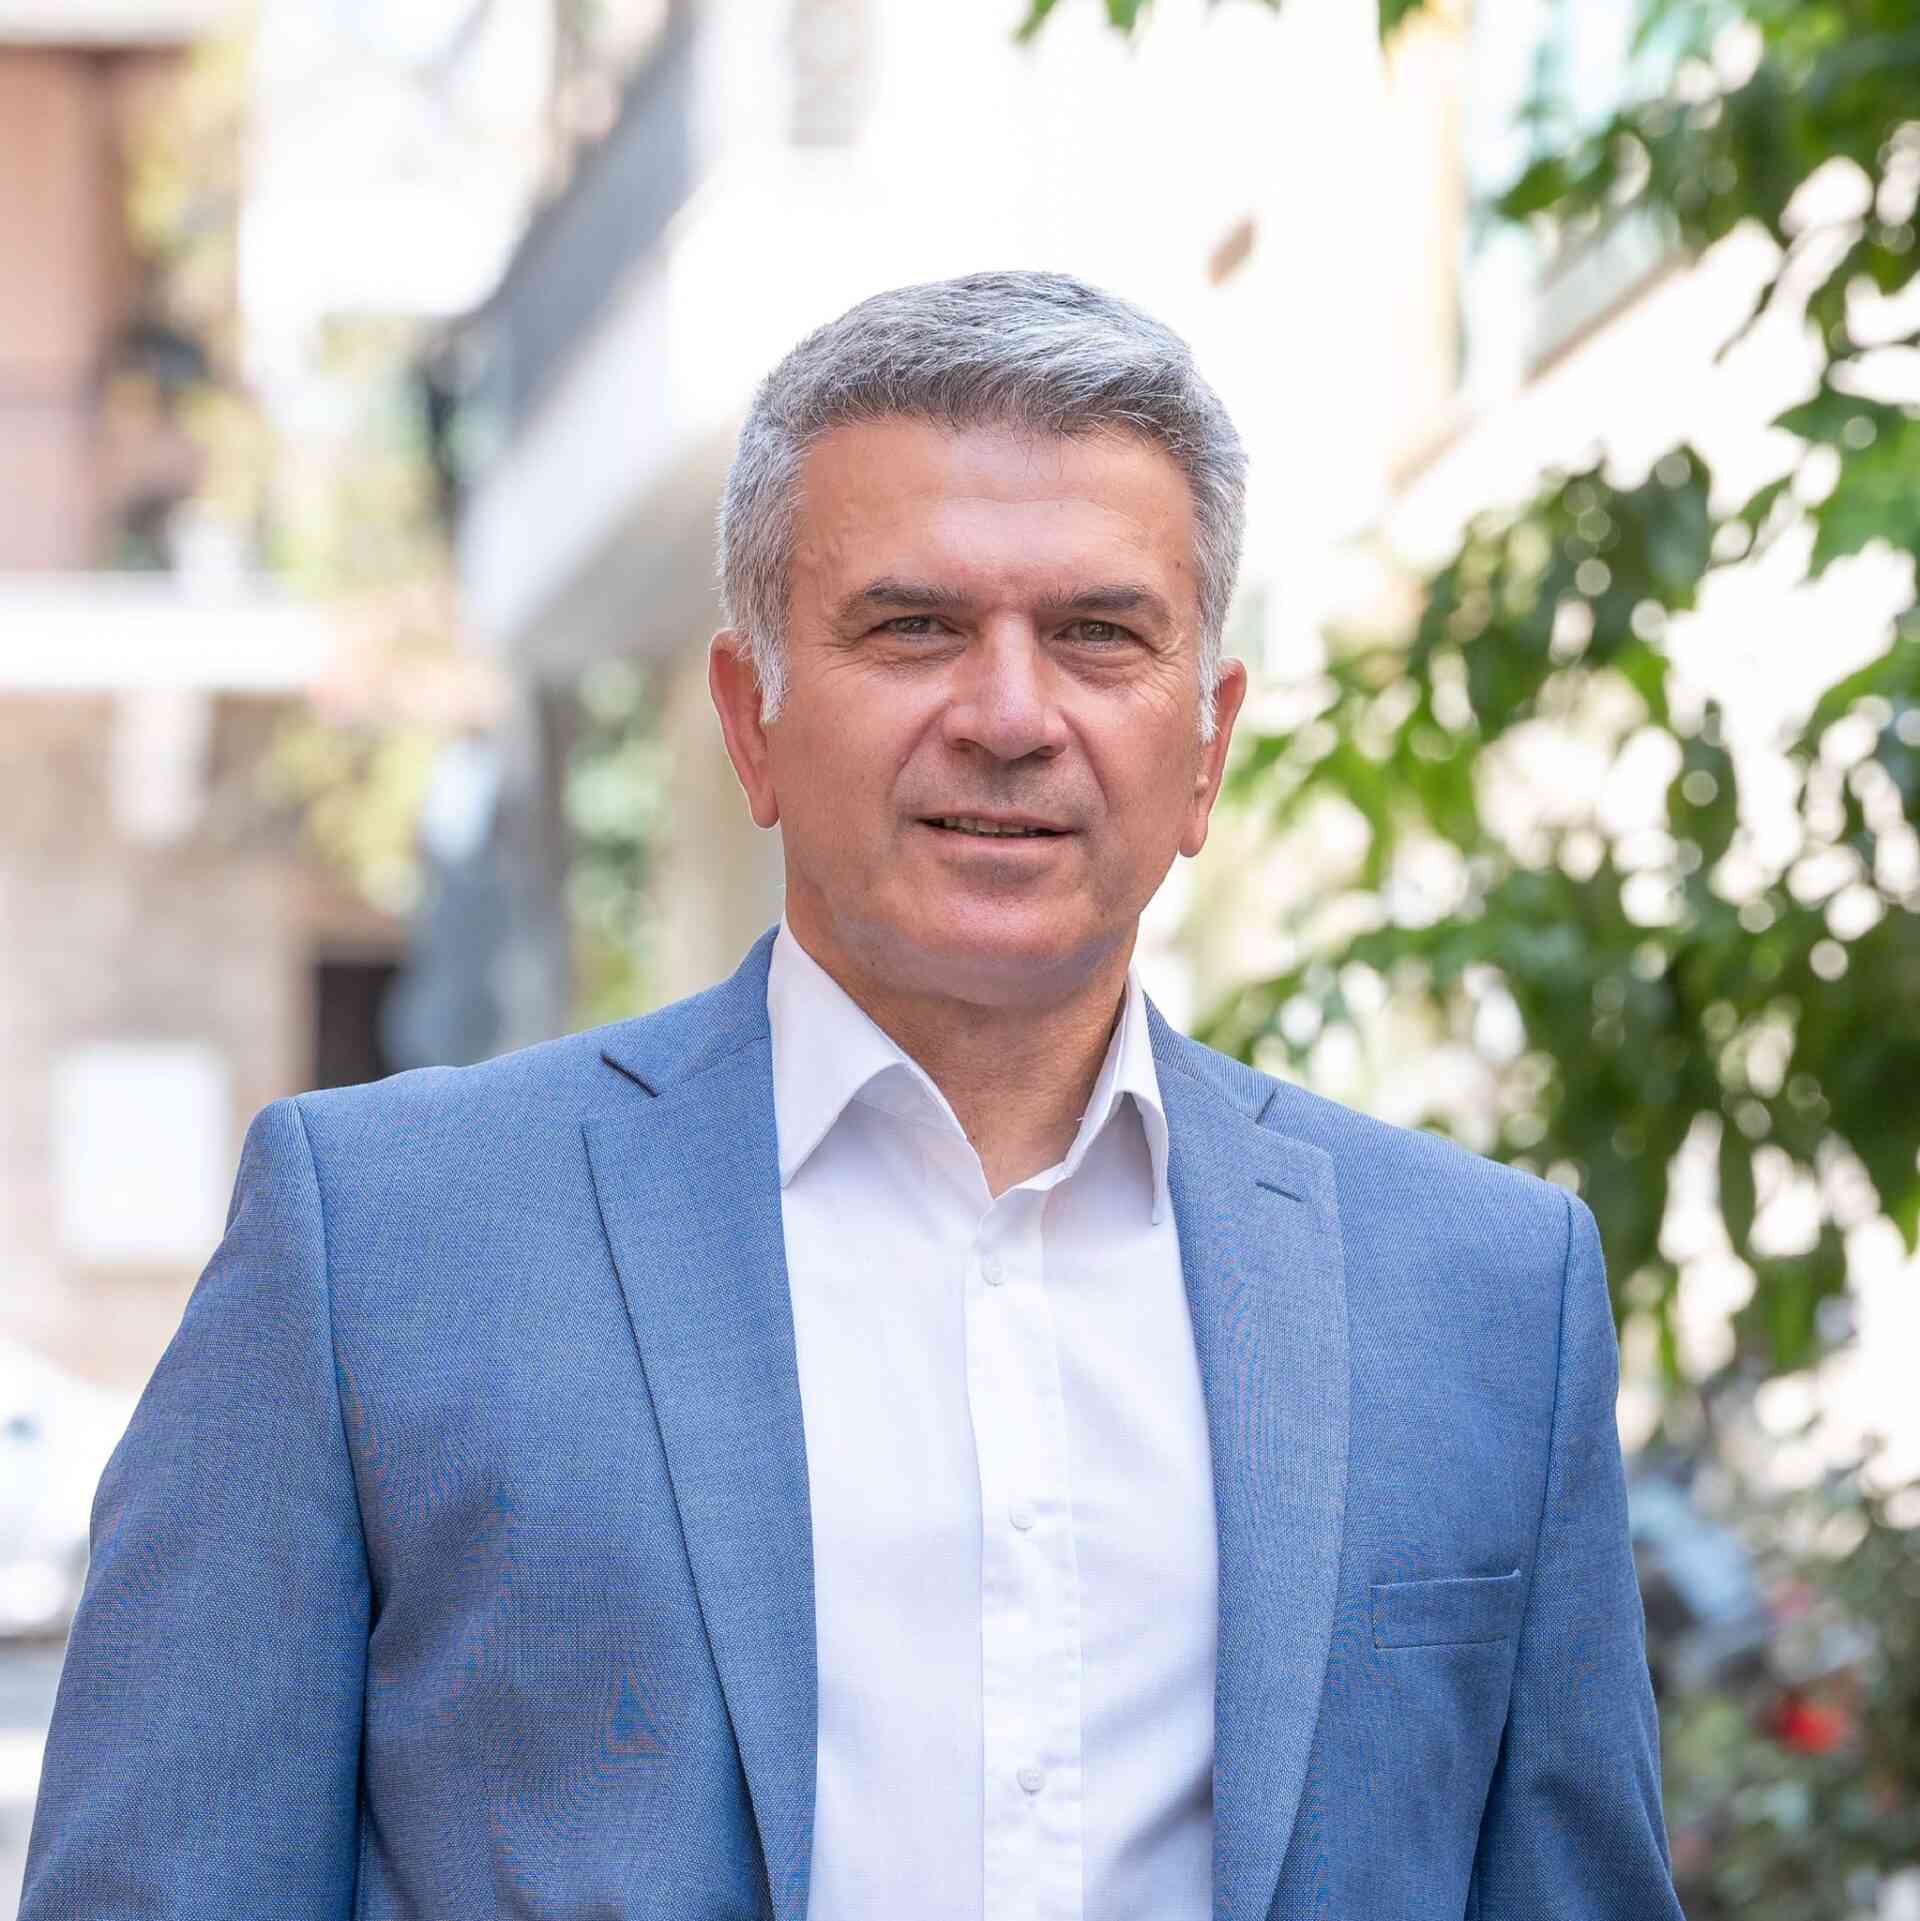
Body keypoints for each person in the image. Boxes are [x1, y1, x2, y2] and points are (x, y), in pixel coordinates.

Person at [22, 271, 1683, 1921]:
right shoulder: (381, 1246)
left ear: (1207, 742)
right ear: (749, 722)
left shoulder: (1482, 1296)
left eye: (1100, 634)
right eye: (914, 628)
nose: (1012, 715)